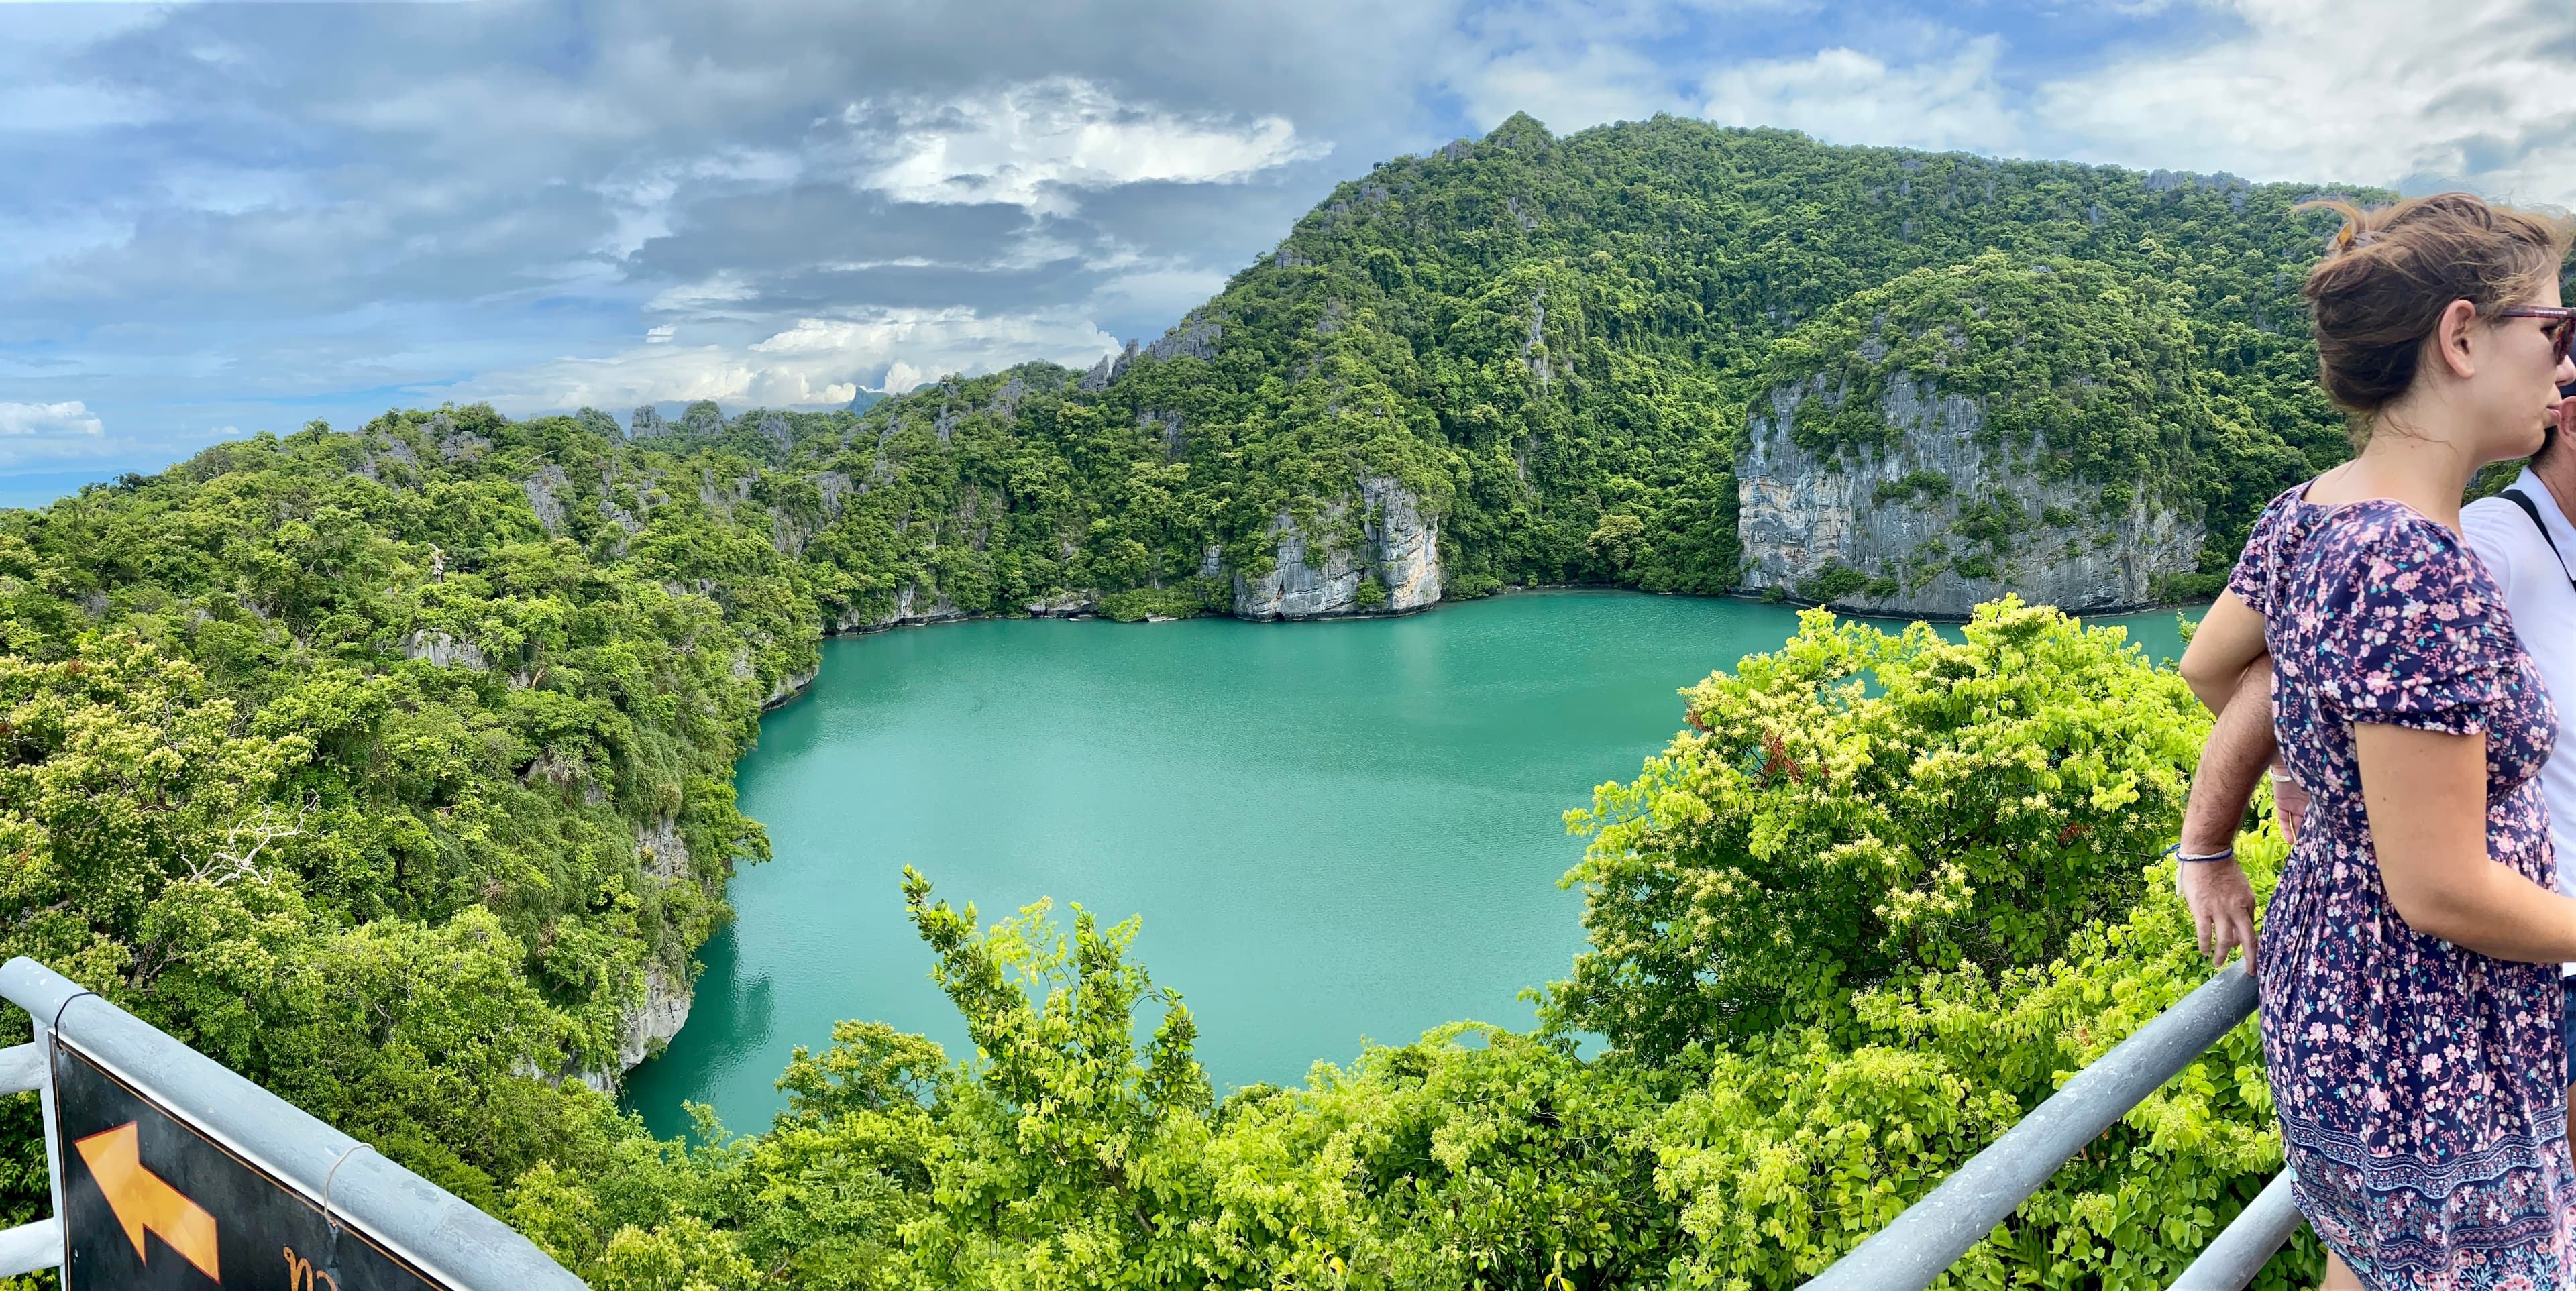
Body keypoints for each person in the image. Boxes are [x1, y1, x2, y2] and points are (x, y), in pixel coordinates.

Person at [2171, 192, 2576, 1288]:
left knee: (2375, 1257)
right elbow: (2440, 886)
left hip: (2345, 982)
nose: (2566, 364)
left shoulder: (2314, 511)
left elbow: (2214, 667)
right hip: (2427, 1018)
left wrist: (2328, 763)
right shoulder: (2416, 565)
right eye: (2554, 330)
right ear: (2459, 337)